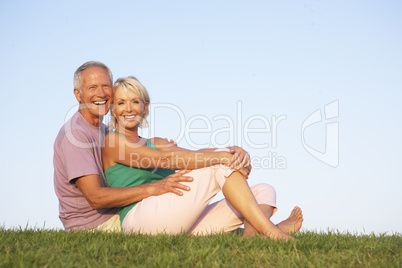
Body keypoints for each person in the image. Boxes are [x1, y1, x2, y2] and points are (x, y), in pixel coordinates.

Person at [102, 76, 304, 240]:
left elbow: (194, 155)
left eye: (134, 102)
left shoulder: (156, 142)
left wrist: (236, 153)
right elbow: (165, 161)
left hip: (174, 219)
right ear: (113, 110)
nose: (128, 108)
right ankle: (271, 231)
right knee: (217, 164)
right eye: (121, 103)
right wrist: (223, 157)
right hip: (139, 221)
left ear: (144, 107)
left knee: (264, 190)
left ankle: (252, 239)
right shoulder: (113, 141)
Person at [53, 61, 193, 231]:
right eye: (92, 87)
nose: (101, 93)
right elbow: (95, 198)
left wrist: (157, 146)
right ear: (78, 94)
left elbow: (133, 148)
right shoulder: (75, 135)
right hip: (95, 224)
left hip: (117, 212)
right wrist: (153, 188)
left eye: (106, 86)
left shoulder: (104, 131)